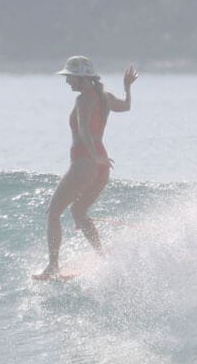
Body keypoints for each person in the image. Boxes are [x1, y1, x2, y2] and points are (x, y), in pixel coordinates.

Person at [36, 56, 138, 279]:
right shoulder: (105, 98)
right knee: (79, 212)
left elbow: (83, 129)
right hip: (102, 163)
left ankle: (53, 266)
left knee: (53, 213)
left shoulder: (83, 100)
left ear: (83, 79)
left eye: (70, 78)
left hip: (86, 161)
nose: (67, 82)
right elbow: (127, 106)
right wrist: (127, 88)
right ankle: (103, 258)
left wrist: (92, 157)